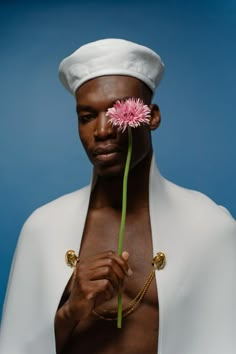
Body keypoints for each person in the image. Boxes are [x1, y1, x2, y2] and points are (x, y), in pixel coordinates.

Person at [0, 38, 235, 354]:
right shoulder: (43, 227)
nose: (102, 130)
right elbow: (16, 346)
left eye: (117, 111)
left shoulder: (210, 226)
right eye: (86, 116)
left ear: (151, 117)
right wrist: (72, 310)